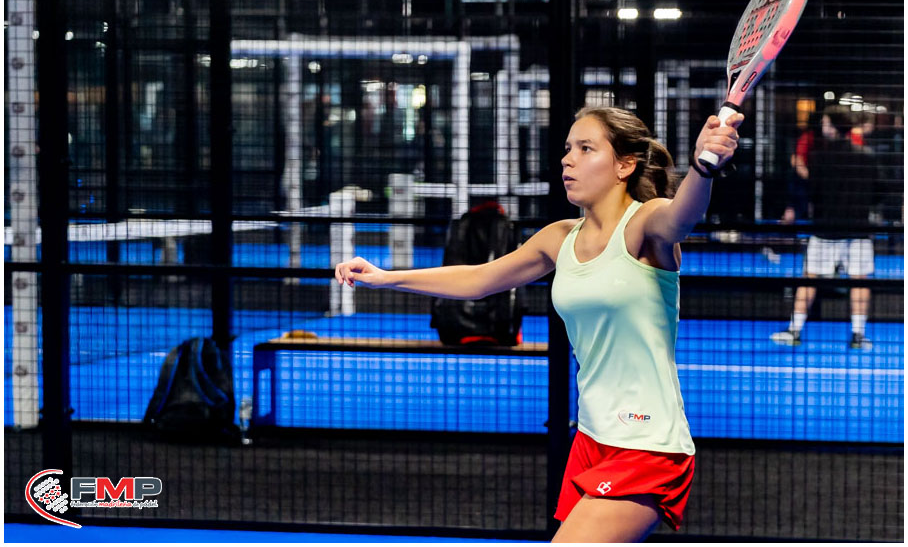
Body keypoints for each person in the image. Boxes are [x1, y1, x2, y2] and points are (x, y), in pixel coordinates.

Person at [335, 106, 743, 542]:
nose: (568, 159)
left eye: (586, 149)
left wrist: (703, 167)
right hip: (592, 436)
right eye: (568, 148)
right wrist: (386, 277)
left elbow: (682, 216)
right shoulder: (560, 237)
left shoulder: (646, 222)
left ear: (624, 166)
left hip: (647, 442)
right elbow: (479, 279)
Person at [771, 104, 878, 350]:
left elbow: (812, 192)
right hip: (858, 230)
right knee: (859, 281)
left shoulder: (820, 158)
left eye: (826, 123)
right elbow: (877, 193)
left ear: (834, 126)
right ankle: (858, 335)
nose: (823, 126)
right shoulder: (867, 156)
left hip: (825, 229)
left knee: (809, 278)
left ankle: (794, 330)